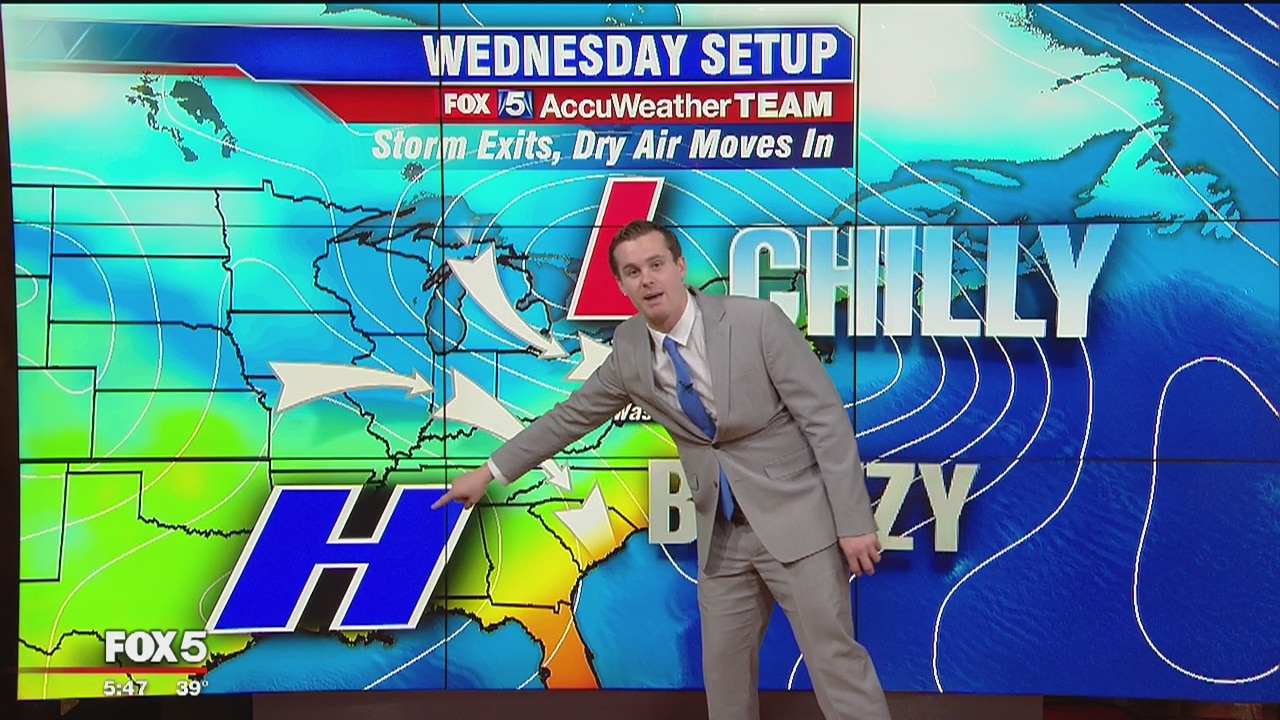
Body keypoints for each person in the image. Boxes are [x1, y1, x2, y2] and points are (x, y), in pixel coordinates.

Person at [433, 220, 892, 720]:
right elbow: (571, 417)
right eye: (633, 272)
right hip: (723, 534)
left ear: (679, 267)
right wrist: (489, 472)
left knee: (835, 663)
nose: (647, 279)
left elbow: (825, 421)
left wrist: (853, 522)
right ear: (622, 285)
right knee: (725, 682)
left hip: (797, 521)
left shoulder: (755, 322)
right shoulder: (630, 348)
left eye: (656, 265)